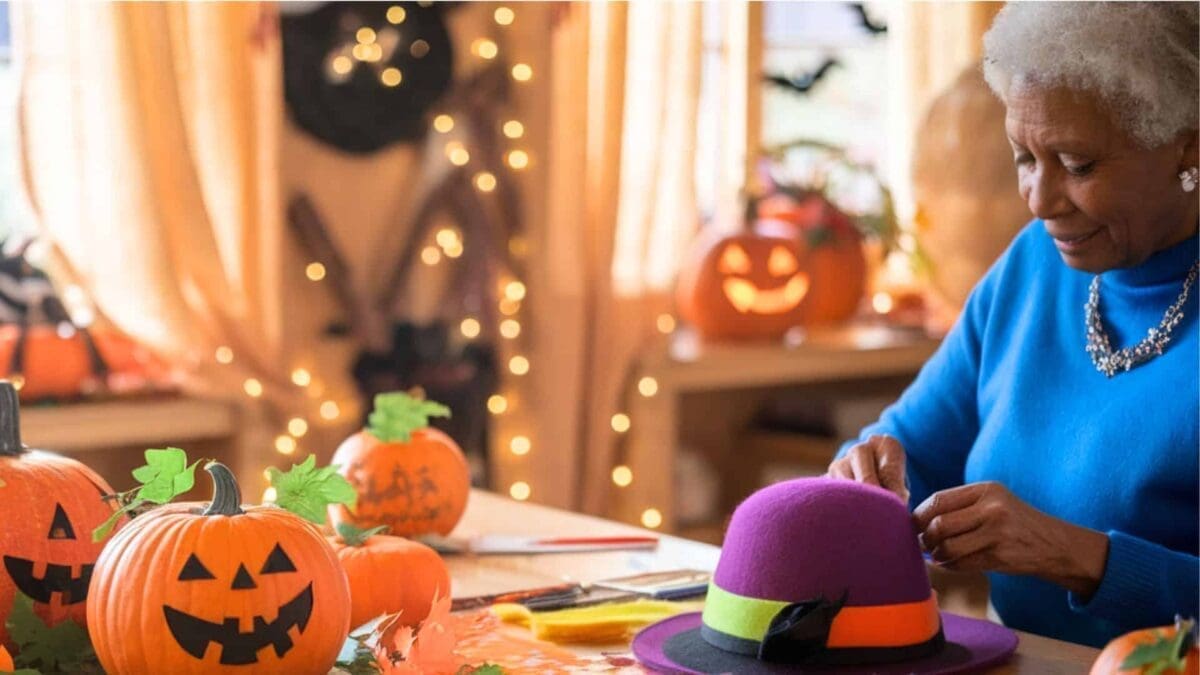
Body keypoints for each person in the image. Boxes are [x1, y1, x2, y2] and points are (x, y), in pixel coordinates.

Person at [828, 2, 1198, 648]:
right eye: (1024, 156)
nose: (1039, 198)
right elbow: (909, 442)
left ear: (1188, 146)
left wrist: (1080, 556)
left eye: (1078, 164)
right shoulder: (1034, 265)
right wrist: (864, 475)